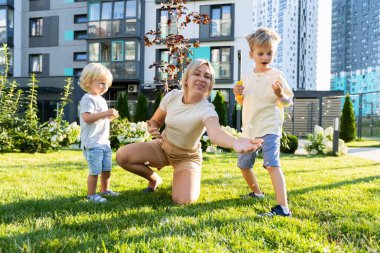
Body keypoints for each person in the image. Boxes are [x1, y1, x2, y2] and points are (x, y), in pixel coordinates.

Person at [116, 59, 263, 205]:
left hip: (186, 158)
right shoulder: (172, 96)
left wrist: (235, 142)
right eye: (197, 74)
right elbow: (155, 121)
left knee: (184, 201)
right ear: (186, 78)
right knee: (122, 156)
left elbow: (215, 133)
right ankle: (154, 180)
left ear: (210, 84)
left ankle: (181, 177)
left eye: (207, 77)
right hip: (162, 147)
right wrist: (152, 127)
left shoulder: (207, 109)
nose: (201, 79)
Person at [233, 27, 294, 217]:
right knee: (244, 165)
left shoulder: (277, 76)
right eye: (261, 53)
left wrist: (280, 94)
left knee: (272, 164)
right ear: (252, 54)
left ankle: (282, 208)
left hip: (269, 127)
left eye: (270, 53)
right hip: (250, 129)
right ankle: (257, 193)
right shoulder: (247, 77)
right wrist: (237, 94)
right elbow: (244, 102)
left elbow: (287, 102)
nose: (265, 56)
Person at [79, 63, 120, 203]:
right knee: (95, 170)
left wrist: (110, 116)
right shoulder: (88, 99)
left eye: (107, 84)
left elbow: (101, 118)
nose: (105, 87)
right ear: (88, 82)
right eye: (102, 83)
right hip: (92, 142)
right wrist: (105, 113)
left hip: (104, 142)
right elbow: (87, 118)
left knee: (107, 168)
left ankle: (105, 190)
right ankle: (91, 195)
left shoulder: (101, 100)